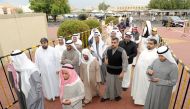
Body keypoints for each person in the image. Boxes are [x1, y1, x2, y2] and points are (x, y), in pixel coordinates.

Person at [131, 39, 158, 105]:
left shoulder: (156, 54)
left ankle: (144, 101)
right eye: (148, 43)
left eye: (151, 44)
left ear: (155, 45)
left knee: (145, 88)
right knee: (138, 86)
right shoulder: (145, 51)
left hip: (147, 76)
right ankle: (136, 98)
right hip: (139, 74)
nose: (148, 45)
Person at [101, 37, 128, 102]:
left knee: (117, 85)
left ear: (118, 43)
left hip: (118, 71)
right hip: (109, 70)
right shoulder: (108, 49)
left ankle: (117, 95)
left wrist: (122, 72)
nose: (113, 44)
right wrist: (105, 59)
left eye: (114, 43)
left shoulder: (122, 51)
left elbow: (125, 62)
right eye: (112, 42)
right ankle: (106, 96)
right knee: (108, 84)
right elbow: (103, 55)